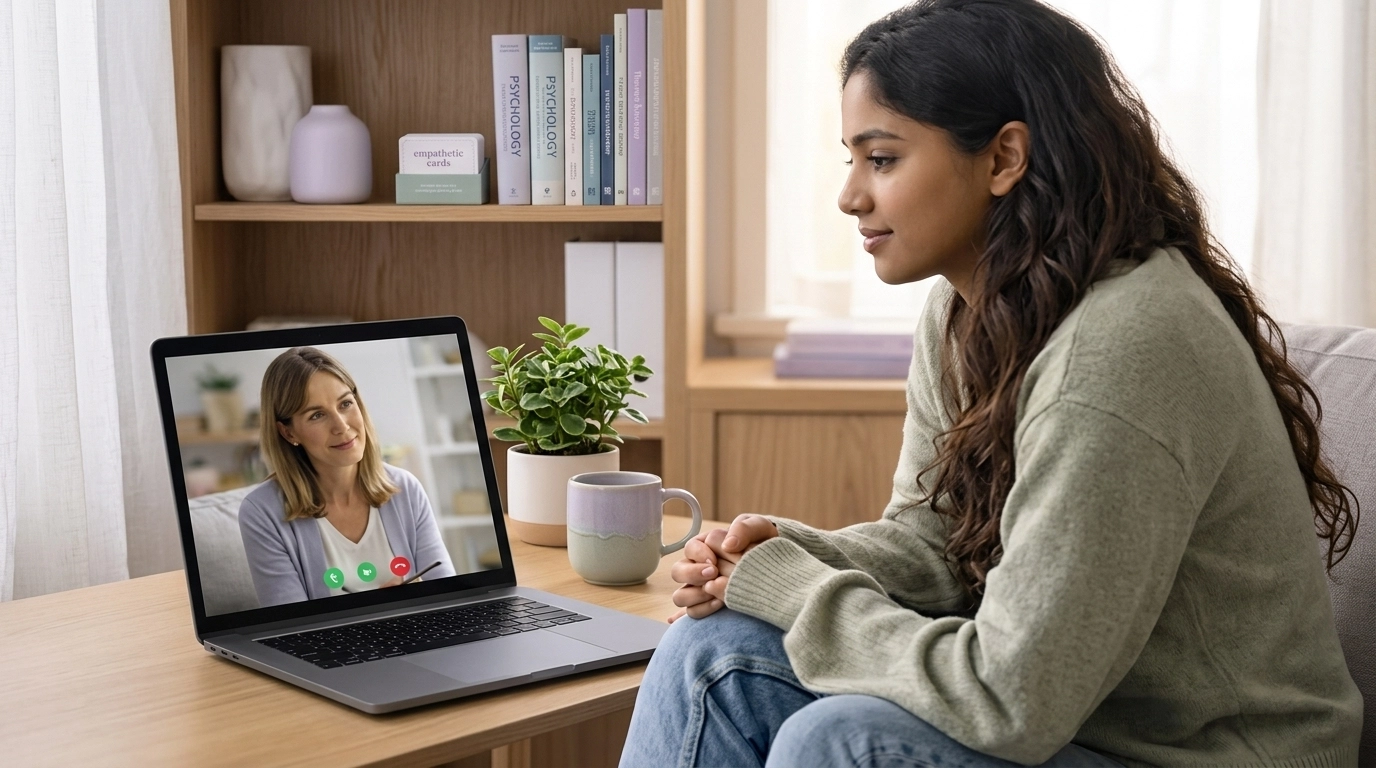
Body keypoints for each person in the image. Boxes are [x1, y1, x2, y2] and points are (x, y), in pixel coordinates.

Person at [619, 1, 1363, 766]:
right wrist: (795, 554)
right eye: (851, 158)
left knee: (839, 743)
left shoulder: (1121, 351)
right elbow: (935, 548)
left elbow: (1012, 700)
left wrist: (796, 589)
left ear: (1005, 158)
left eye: (882, 159)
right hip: (1077, 720)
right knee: (712, 647)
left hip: (1201, 754)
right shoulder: (965, 308)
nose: (850, 196)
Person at [239, 346, 455, 607]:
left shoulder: (405, 489)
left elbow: (447, 597)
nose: (342, 426)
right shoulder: (262, 513)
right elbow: (291, 630)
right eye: (317, 415)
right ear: (288, 433)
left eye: (345, 404)